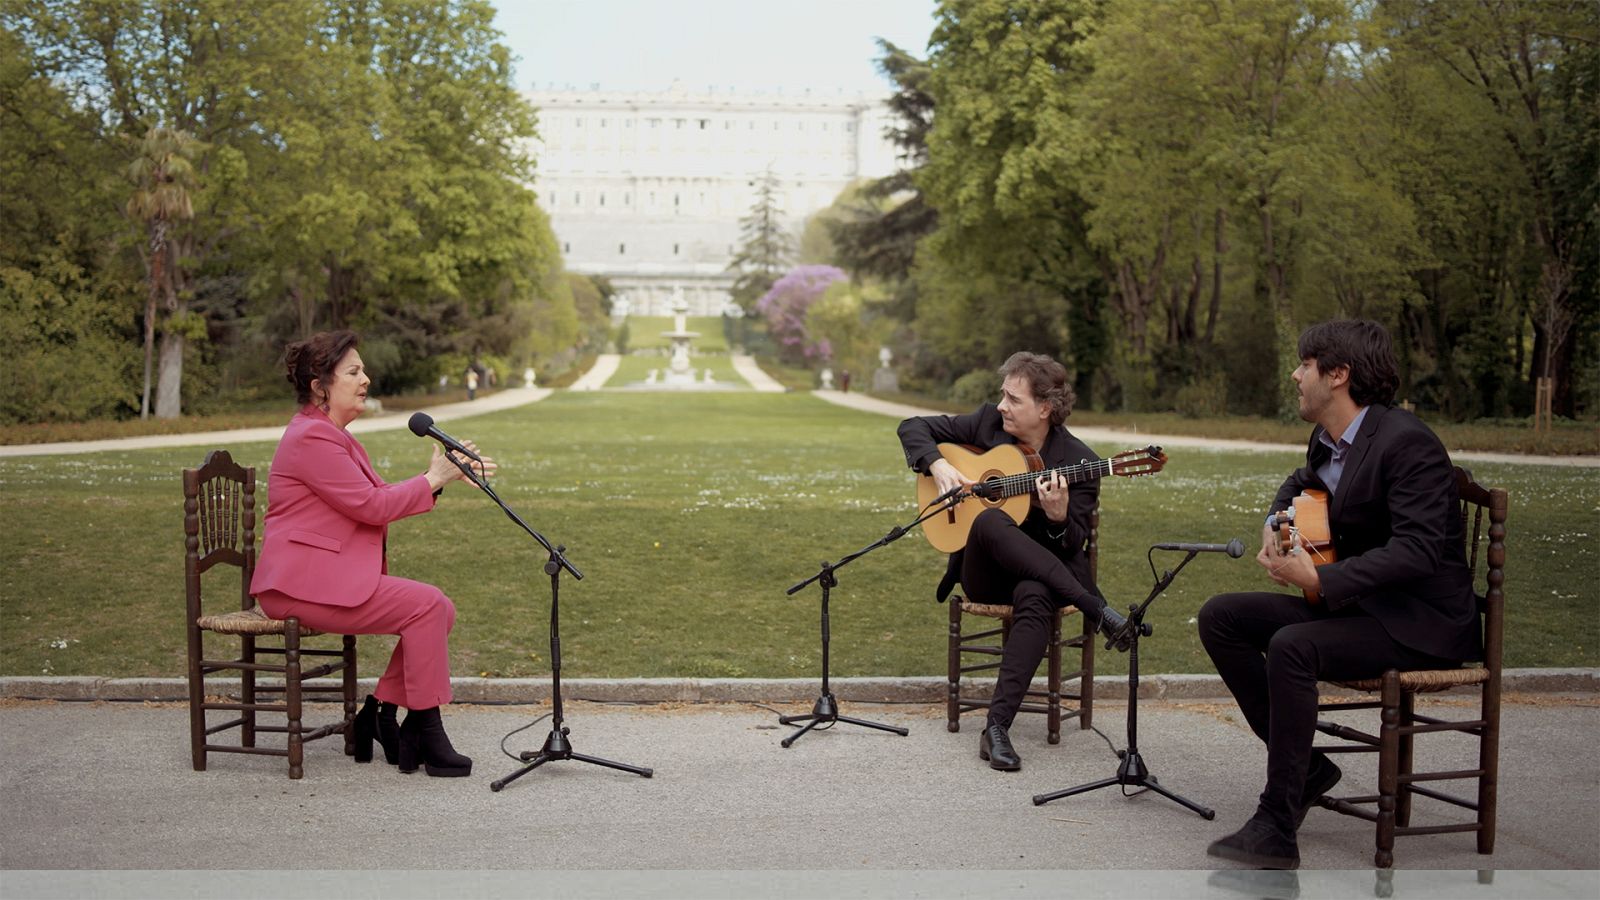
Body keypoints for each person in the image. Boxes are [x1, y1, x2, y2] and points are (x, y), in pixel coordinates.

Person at [1198, 320, 1481, 868]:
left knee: (1292, 646)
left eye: (1305, 364)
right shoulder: (1328, 439)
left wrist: (1321, 581)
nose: (1295, 373)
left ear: (1339, 375)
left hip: (1420, 623)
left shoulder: (1408, 442)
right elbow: (1300, 481)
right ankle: (1309, 770)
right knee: (1222, 616)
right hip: (1364, 610)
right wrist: (1274, 521)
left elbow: (1419, 550)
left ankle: (1277, 825)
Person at [250, 330, 497, 778]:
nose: (367, 378)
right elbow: (371, 506)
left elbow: (376, 495)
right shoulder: (312, 438)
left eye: (363, 370)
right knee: (427, 607)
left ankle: (381, 714)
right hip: (297, 584)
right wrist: (433, 478)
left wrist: (442, 476)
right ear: (319, 384)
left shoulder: (334, 436)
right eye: (354, 371)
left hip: (321, 577)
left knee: (439, 608)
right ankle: (425, 729)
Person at [898, 351, 1130, 772]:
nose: (1001, 405)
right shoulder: (988, 423)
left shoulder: (1081, 462)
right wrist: (939, 464)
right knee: (988, 521)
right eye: (1002, 396)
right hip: (984, 572)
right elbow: (912, 426)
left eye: (1013, 399)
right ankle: (1098, 609)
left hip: (1042, 578)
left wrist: (1058, 518)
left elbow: (1072, 544)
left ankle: (997, 728)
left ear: (1045, 409)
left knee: (1038, 595)